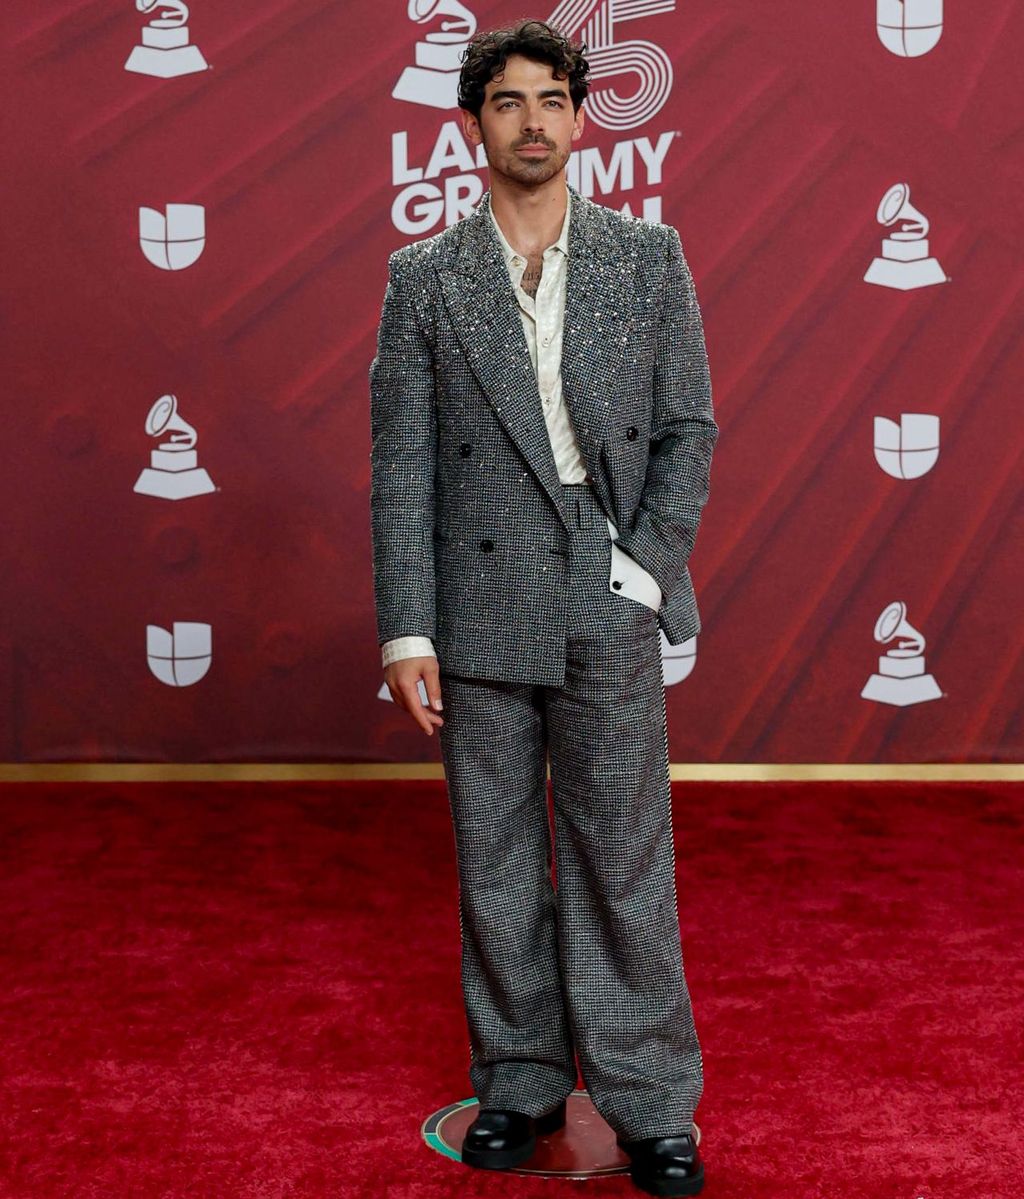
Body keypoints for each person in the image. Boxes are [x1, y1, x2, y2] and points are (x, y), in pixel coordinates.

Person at [368, 18, 718, 1197]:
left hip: (599, 568)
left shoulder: (648, 257)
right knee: (499, 856)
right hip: (474, 591)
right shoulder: (423, 277)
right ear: (474, 123)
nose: (531, 120)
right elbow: (403, 462)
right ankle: (517, 1080)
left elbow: (687, 432)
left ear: (580, 118)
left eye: (551, 99)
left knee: (622, 853)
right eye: (507, 101)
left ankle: (652, 1101)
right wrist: (407, 627)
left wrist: (645, 564)